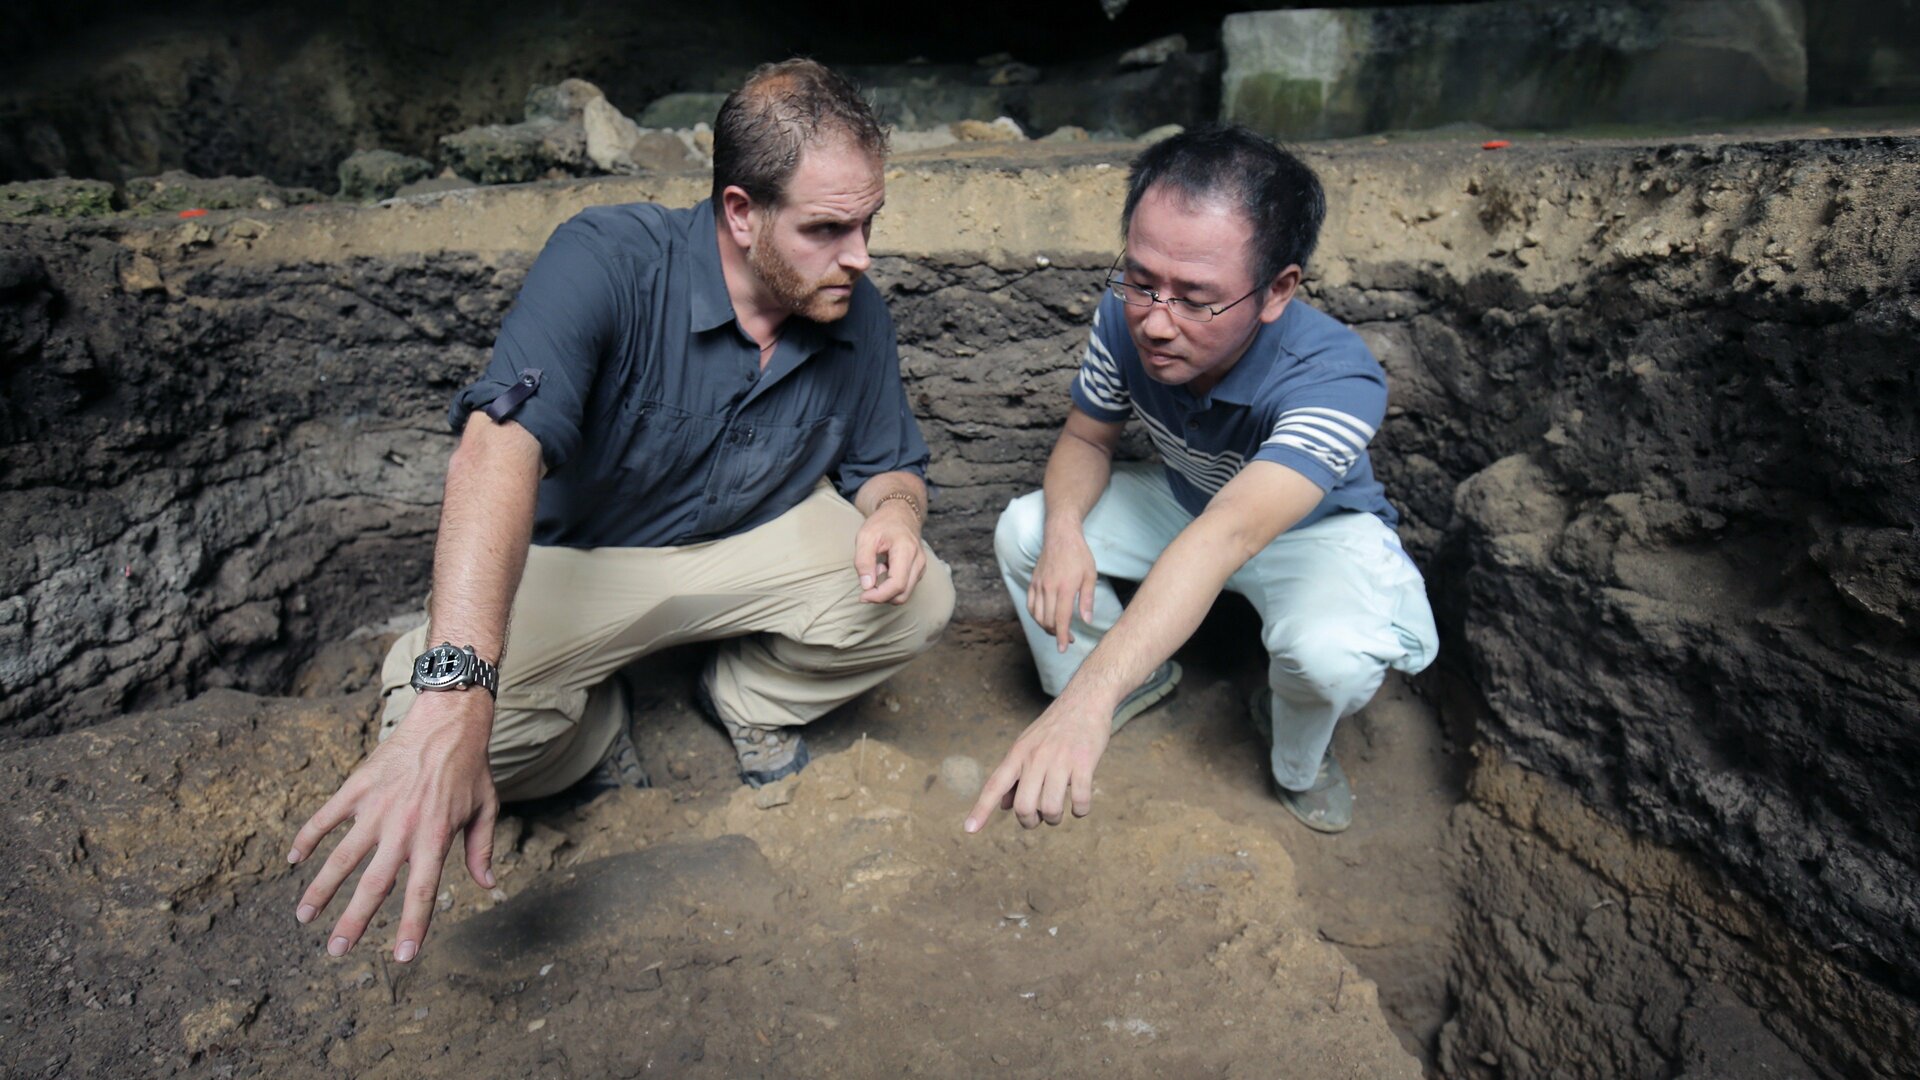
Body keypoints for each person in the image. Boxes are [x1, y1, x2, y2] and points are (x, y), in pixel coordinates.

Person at [288, 59, 953, 964]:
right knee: (438, 741)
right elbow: (495, 448)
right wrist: (455, 699)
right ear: (741, 212)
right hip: (576, 572)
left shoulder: (852, 308)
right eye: (829, 228)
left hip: (745, 553)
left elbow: (892, 467)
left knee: (922, 597)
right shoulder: (606, 260)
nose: (862, 254)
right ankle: (590, 731)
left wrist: (898, 515)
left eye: (870, 223)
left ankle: (750, 699)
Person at [967, 125, 1437, 838]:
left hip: (1306, 536)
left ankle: (1295, 759)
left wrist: (1087, 701)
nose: (1156, 322)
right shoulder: (1124, 318)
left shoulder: (1337, 379)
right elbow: (1088, 436)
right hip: (1187, 502)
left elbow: (1227, 537)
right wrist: (1065, 534)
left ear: (1276, 291)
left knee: (1331, 658)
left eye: (1195, 299)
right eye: (1141, 280)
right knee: (1028, 531)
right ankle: (1124, 680)